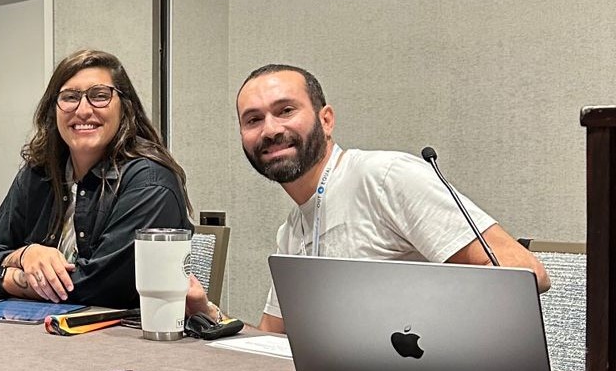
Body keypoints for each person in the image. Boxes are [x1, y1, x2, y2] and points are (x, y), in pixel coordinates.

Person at [200, 63, 548, 333]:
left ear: (326, 120)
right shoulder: (291, 230)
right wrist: (207, 312)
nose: (271, 130)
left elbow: (526, 274)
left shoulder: (385, 177)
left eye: (286, 110)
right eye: (253, 119)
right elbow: (271, 340)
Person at [0, 49, 192, 308]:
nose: (82, 110)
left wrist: (2, 280)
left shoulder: (151, 183)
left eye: (99, 96)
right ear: (53, 109)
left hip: (124, 341)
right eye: (70, 97)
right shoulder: (38, 173)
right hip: (40, 330)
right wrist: (28, 254)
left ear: (125, 108)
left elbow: (99, 286)